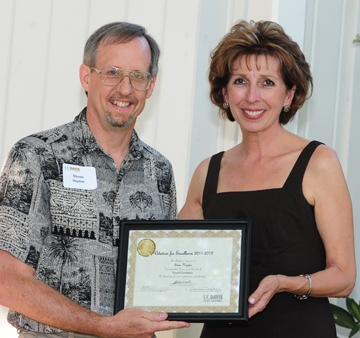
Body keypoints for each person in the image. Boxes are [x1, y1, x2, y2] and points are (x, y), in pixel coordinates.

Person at [0, 22, 189, 338]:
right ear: (87, 77)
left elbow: (162, 279)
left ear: (151, 86)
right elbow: (6, 280)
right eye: (112, 72)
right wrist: (104, 327)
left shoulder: (159, 171)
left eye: (137, 76)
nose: (125, 89)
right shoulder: (36, 156)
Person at [179, 20, 356, 337]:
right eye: (240, 81)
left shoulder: (319, 162)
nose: (251, 96)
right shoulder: (207, 172)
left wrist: (287, 283)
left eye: (267, 83)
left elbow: (344, 276)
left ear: (290, 94)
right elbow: (178, 260)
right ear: (224, 93)